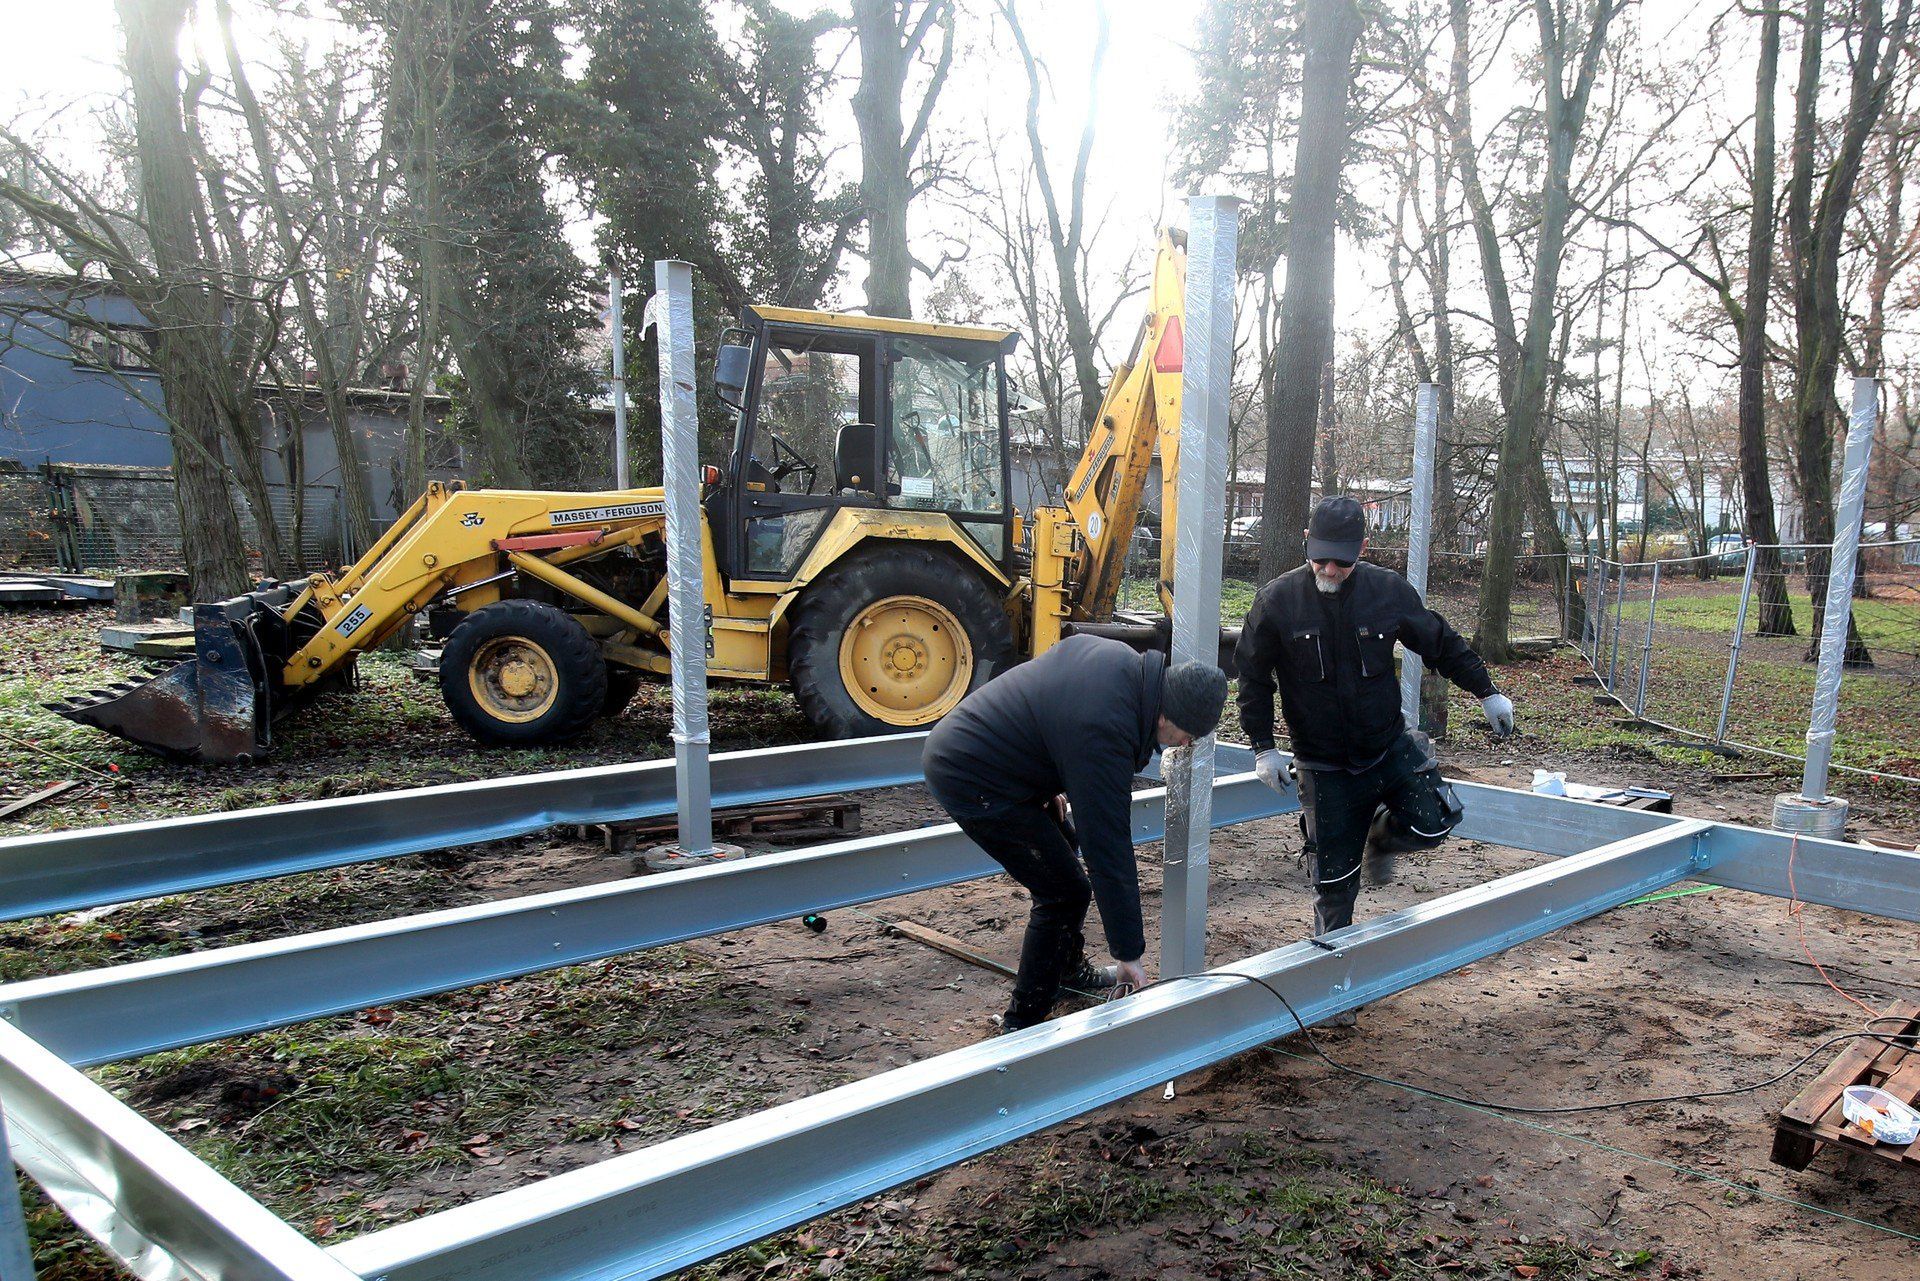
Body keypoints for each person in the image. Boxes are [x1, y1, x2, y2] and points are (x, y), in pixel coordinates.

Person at [1235, 495, 1515, 948]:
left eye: (1341, 561)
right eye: (1320, 558)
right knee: (1334, 887)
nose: (1329, 569)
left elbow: (1440, 642)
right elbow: (1252, 678)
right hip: (1324, 764)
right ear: (1307, 542)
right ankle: (1333, 972)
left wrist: (1487, 692)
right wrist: (1263, 748)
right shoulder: (1277, 601)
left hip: (1387, 747)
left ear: (1362, 549)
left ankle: (1382, 837)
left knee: (1434, 822)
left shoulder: (1387, 591)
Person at [923, 635, 1229, 1032]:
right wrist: (1128, 953)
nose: (1186, 743)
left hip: (993, 758)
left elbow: (1050, 706)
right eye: (1189, 734)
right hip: (970, 776)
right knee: (1063, 892)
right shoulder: (1105, 728)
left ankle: (1066, 971)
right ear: (1165, 716)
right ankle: (1023, 1022)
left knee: (1064, 848)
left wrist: (1049, 781)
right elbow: (1108, 847)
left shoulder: (1123, 665)